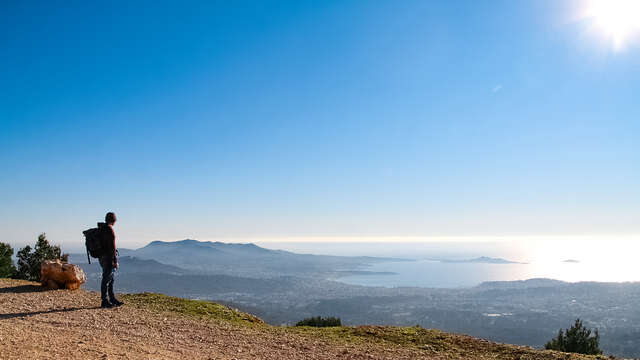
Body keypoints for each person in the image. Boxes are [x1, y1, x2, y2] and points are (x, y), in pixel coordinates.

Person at [98, 212, 124, 308]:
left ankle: (112, 299)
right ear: (114, 220)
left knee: (110, 278)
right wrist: (115, 260)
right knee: (106, 278)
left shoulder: (101, 229)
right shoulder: (109, 230)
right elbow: (112, 247)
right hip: (108, 258)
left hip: (101, 257)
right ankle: (104, 300)